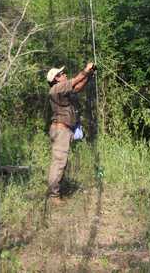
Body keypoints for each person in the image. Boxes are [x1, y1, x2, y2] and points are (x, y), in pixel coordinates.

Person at [46, 62, 95, 203]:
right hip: (61, 131)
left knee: (61, 162)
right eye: (61, 74)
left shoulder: (62, 89)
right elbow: (76, 80)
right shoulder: (56, 89)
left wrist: (89, 75)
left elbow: (78, 87)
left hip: (65, 130)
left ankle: (55, 191)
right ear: (56, 78)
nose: (64, 74)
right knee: (59, 162)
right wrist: (86, 70)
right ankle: (54, 196)